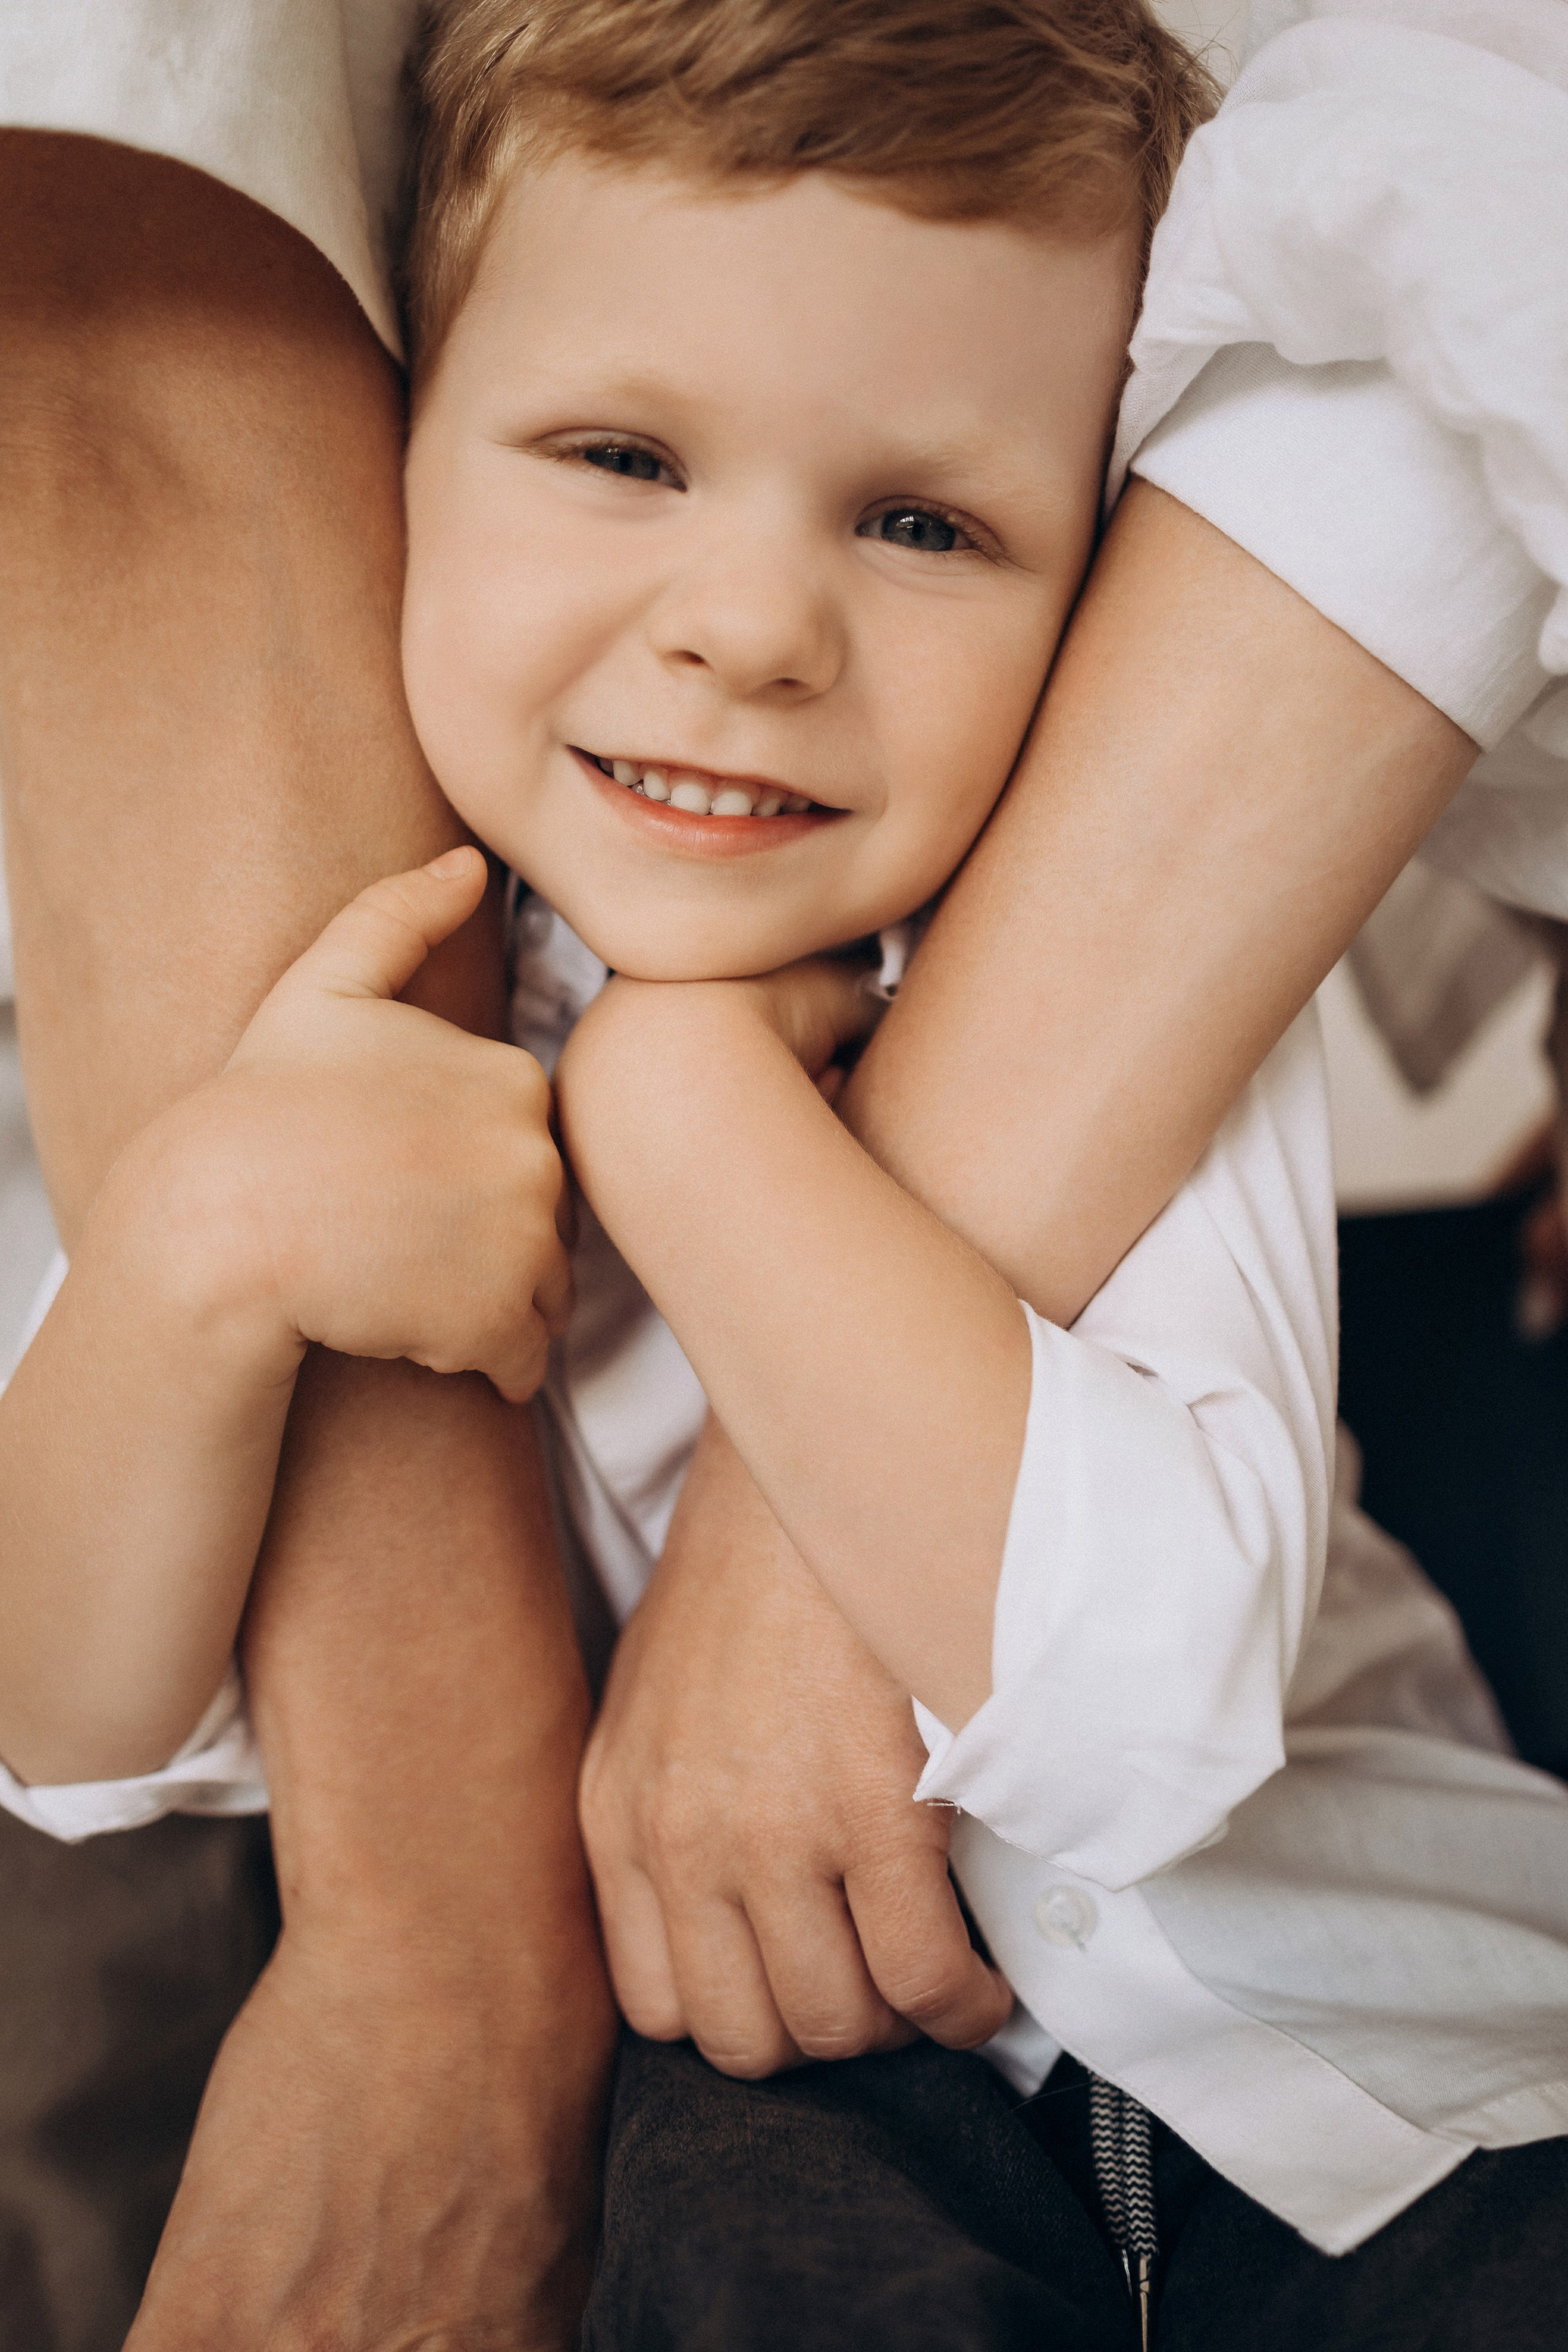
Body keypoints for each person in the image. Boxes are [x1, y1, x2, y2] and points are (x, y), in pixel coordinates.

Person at [1, 0, 1563, 2344]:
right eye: (620, 455)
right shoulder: (344, 1007)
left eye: (925, 522)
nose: (749, 630)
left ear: (1095, 591)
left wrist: (688, 1110)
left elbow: (1150, 1690)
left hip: (1361, 2074)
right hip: (775, 2104)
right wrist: (194, 1257)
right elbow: (79, 1727)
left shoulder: (1068, 959)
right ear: (396, 460)